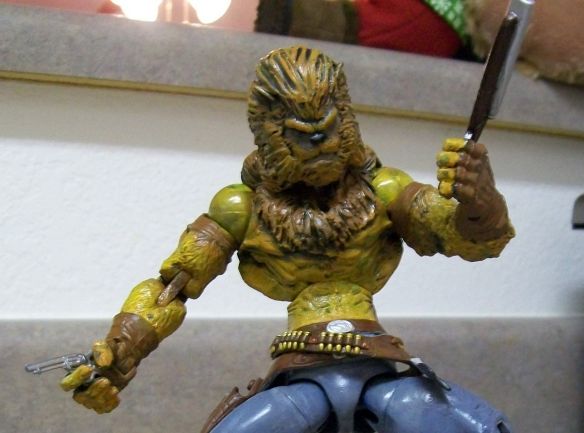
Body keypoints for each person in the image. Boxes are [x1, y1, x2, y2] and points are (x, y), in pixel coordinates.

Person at [60, 46, 515, 433]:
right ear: (269, 133)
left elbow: (468, 236)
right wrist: (118, 354)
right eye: (302, 134)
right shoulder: (240, 207)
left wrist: (480, 199)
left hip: (381, 361)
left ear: (345, 119)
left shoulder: (385, 190)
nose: (320, 144)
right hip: (298, 372)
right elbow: (171, 288)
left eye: (328, 128)